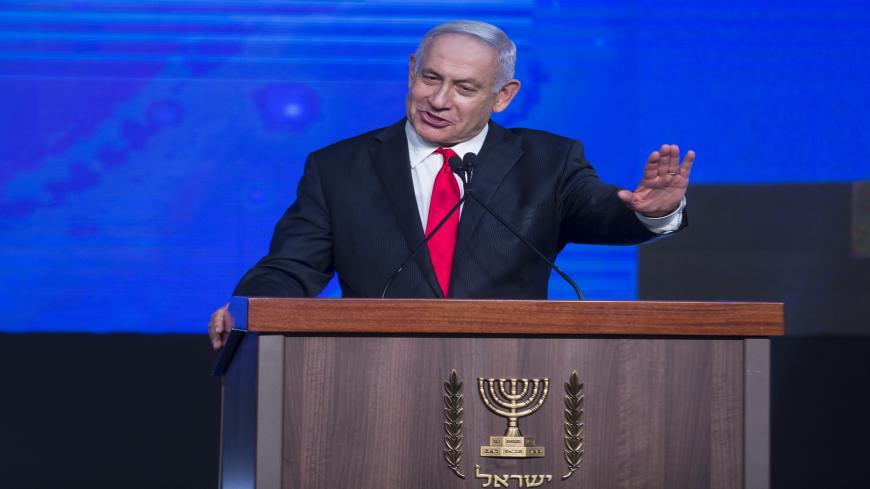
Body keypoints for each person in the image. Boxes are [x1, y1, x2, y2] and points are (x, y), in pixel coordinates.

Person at [209, 20, 695, 349]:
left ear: (503, 97)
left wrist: (651, 210)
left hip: (514, 377)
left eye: (464, 88)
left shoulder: (548, 161)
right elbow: (291, 268)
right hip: (374, 374)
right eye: (430, 78)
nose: (439, 100)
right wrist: (247, 306)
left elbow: (603, 214)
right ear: (411, 71)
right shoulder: (338, 167)